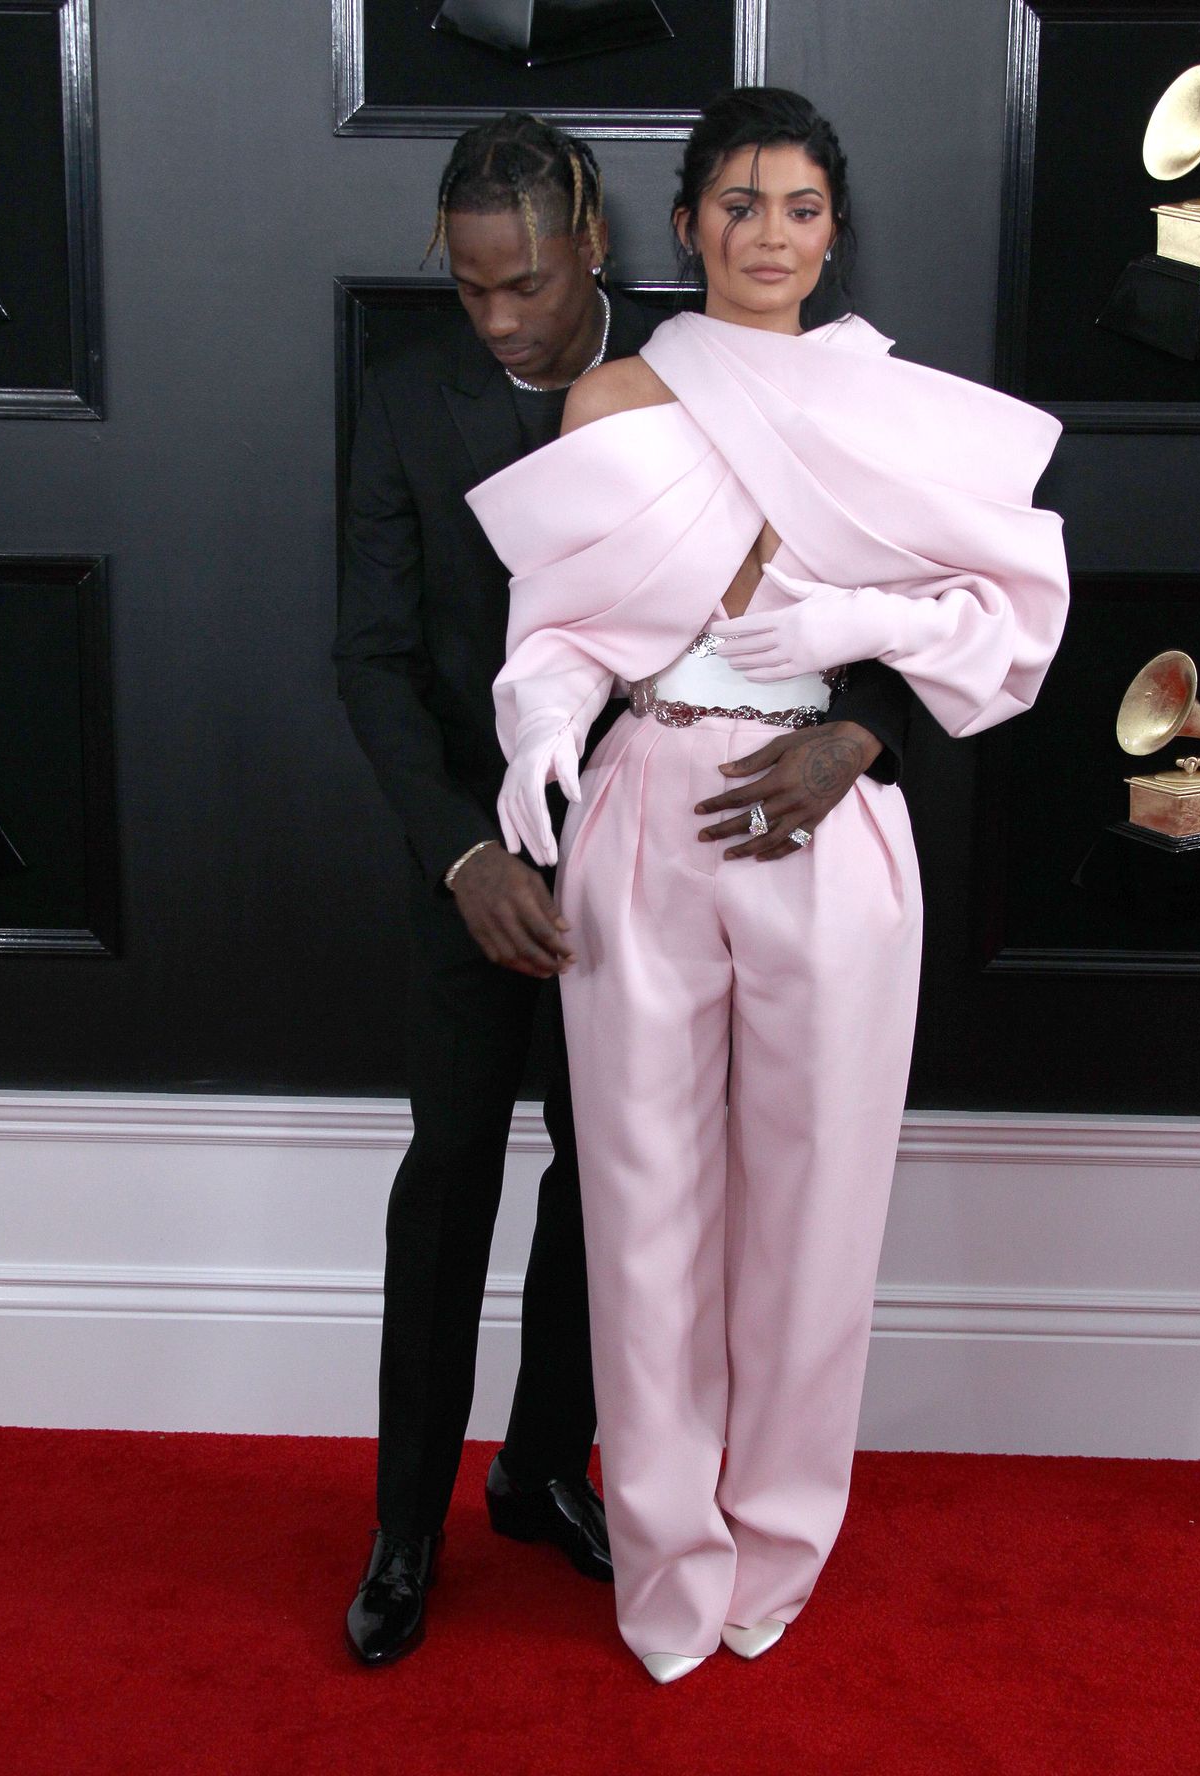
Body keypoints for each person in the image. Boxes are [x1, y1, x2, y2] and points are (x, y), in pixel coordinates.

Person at [466, 88, 1070, 1683]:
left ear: (832, 226)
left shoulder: (893, 407)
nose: (770, 235)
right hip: (651, 794)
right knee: (645, 1206)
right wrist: (537, 732)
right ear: (686, 228)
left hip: (827, 817)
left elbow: (1002, 614)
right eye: (737, 205)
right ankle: (665, 1556)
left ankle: (778, 1544)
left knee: (818, 1214)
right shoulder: (616, 396)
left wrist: (855, 661)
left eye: (799, 206)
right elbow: (561, 632)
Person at [333, 110, 914, 1666]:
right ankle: (405, 1531)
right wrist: (468, 854)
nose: (502, 318)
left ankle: (542, 1472)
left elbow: (893, 586)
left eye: (525, 284)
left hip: (663, 851)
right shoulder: (400, 401)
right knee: (449, 1177)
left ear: (598, 247)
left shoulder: (710, 364)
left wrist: (850, 721)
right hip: (474, 855)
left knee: (623, 1200)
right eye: (470, 293)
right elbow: (374, 661)